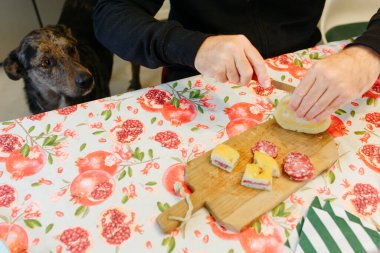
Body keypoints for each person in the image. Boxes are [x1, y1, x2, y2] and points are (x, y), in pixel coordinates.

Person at [93, 0, 380, 122]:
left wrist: (367, 53)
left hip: (305, 68)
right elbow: (112, 13)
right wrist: (195, 46)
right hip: (199, 78)